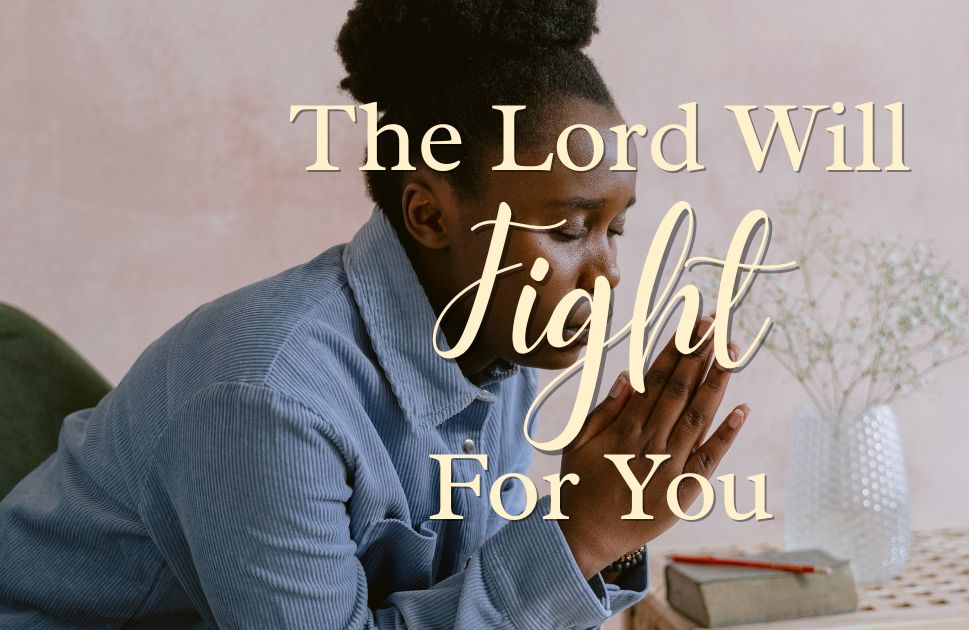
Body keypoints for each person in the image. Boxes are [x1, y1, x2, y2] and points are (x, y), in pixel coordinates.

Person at [0, 1, 749, 627]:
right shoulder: (265, 397)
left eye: (615, 228)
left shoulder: (501, 348)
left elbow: (459, 592)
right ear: (429, 214)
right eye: (568, 229)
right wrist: (580, 537)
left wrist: (611, 559)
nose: (610, 274)